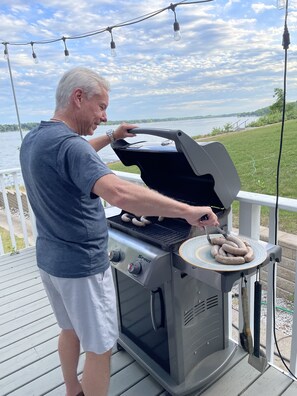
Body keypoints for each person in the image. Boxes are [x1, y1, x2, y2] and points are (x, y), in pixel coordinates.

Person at [20, 66, 219, 396]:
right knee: (100, 348)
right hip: (81, 267)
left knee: (69, 330)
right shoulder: (73, 148)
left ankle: (73, 389)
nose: (104, 116)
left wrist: (113, 137)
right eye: (101, 107)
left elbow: (75, 156)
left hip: (50, 261)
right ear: (78, 97)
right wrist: (188, 211)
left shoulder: (36, 139)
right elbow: (122, 195)